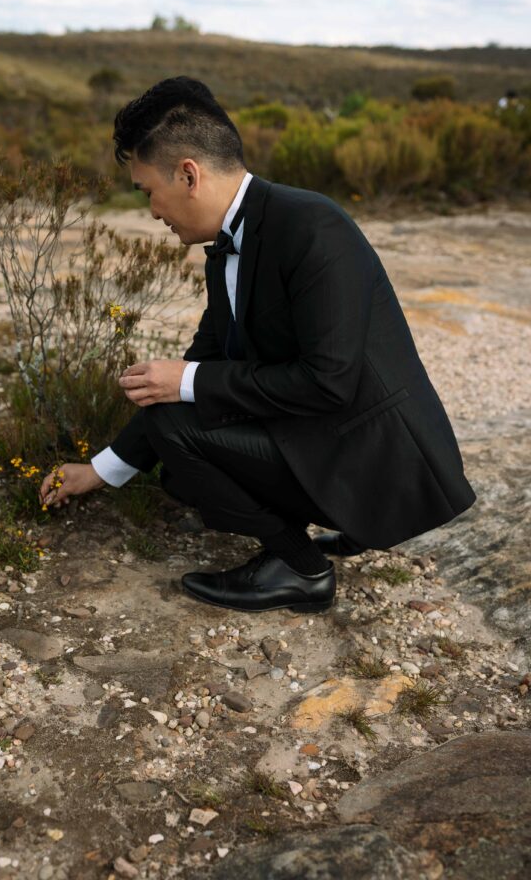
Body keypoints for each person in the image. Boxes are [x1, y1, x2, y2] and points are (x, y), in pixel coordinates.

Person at [39, 76, 477, 614]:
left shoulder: (313, 227)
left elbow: (328, 381)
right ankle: (320, 527)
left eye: (148, 191)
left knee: (180, 423)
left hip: (377, 467)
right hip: (324, 439)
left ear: (189, 174)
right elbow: (197, 368)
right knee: (176, 425)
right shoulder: (227, 248)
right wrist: (101, 468)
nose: (152, 211)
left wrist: (188, 380)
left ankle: (300, 567)